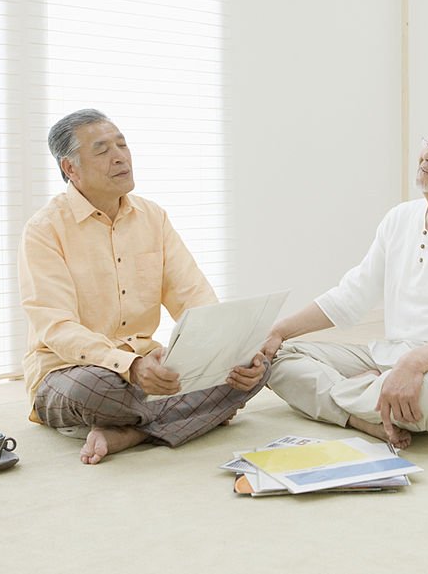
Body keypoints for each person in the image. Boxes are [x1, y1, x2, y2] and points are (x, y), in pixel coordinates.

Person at [18, 109, 267, 464]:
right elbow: (57, 328)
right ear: (70, 169)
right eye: (102, 150)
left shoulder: (153, 217)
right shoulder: (43, 229)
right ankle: (188, 416)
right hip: (70, 371)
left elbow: (193, 296)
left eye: (122, 144)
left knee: (253, 369)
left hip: (146, 366)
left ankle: (129, 431)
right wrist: (129, 365)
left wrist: (231, 347)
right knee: (95, 390)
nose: (120, 156)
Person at [262, 116, 428, 449]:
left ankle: (366, 395)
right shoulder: (400, 218)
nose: (427, 155)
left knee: (421, 400)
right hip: (394, 357)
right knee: (278, 359)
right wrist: (278, 331)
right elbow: (351, 295)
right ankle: (362, 413)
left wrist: (412, 366)